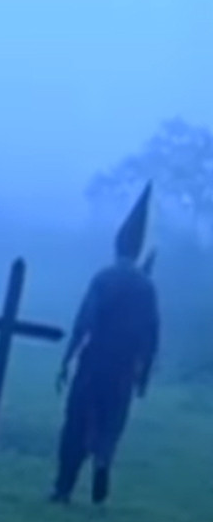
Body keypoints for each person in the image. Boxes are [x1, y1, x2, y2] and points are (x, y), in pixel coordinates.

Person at [51, 183, 159, 505]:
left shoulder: (104, 278)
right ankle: (102, 461)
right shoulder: (146, 287)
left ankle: (64, 487)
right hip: (124, 368)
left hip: (94, 361)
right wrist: (144, 375)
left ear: (117, 245)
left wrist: (67, 360)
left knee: (77, 421)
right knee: (112, 420)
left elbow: (84, 321)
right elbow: (152, 335)